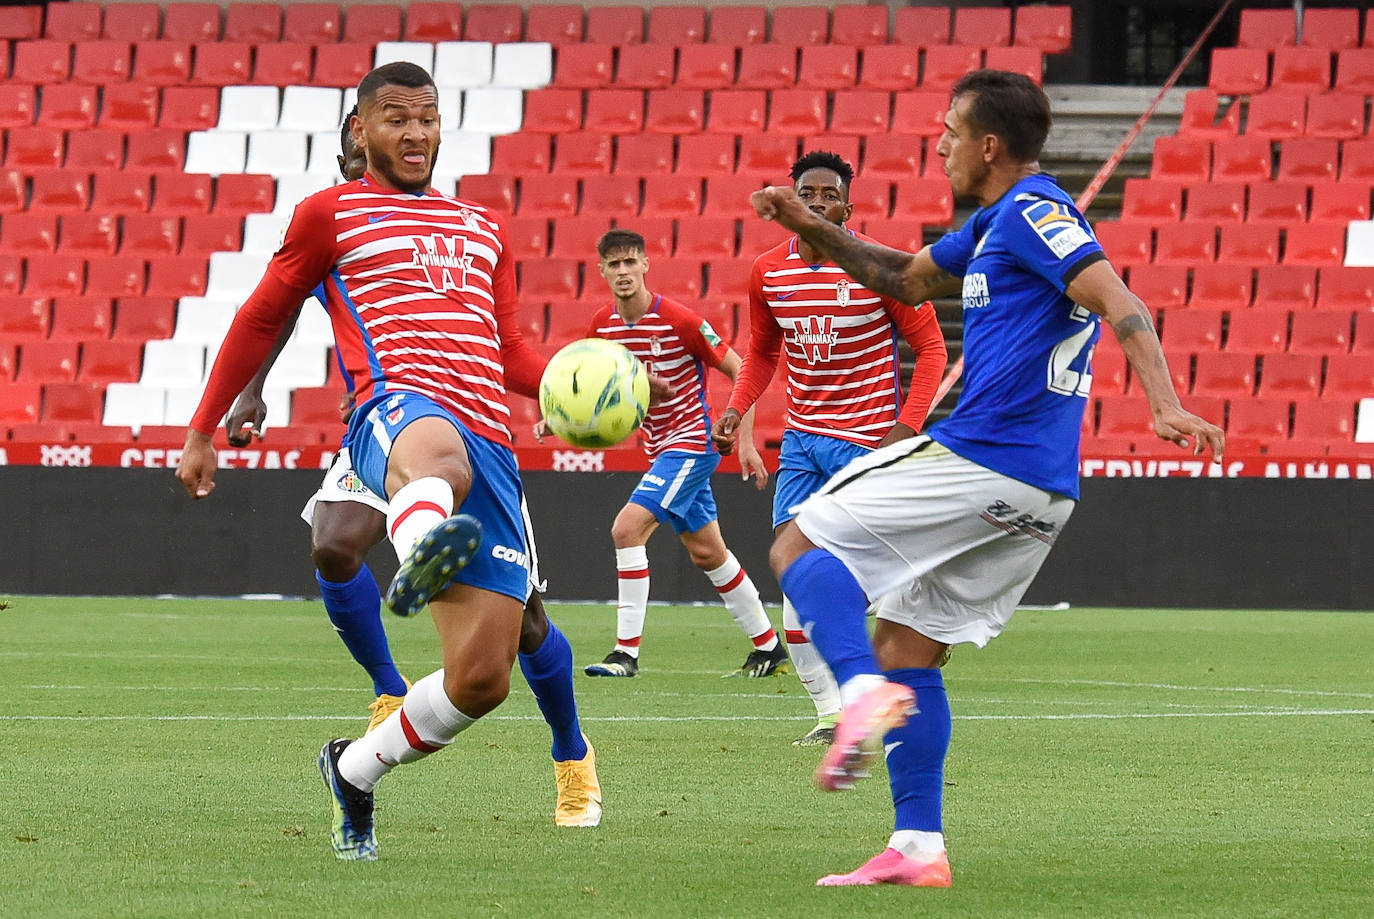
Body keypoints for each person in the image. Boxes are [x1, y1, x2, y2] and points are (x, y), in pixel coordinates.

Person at [744, 70, 1225, 887]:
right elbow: (902, 278)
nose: (940, 145)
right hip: (1040, 491)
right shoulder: (992, 224)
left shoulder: (1037, 213)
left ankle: (855, 690)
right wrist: (807, 225)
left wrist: (1164, 401)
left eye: (950, 131)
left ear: (988, 145)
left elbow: (1119, 298)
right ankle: (918, 847)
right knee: (908, 647)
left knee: (796, 541)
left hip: (985, 455)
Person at [176, 62, 600, 861]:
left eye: (427, 119)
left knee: (482, 679)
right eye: (396, 119)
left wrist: (573, 384)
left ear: (443, 127)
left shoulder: (483, 229)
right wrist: (203, 426)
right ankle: (422, 557)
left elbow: (510, 350)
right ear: (361, 130)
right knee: (431, 462)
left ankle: (354, 770)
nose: (414, 133)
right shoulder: (329, 214)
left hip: (493, 446)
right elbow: (264, 313)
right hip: (395, 411)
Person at [712, 151, 948, 746]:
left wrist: (907, 426)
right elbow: (763, 352)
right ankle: (831, 714)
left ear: (848, 205)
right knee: (797, 578)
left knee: (850, 583)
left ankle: (915, 641)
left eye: (828, 195)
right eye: (806, 194)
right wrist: (739, 409)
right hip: (801, 445)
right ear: (788, 204)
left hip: (866, 444)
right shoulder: (767, 271)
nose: (817, 204)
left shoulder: (876, 268)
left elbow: (933, 351)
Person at [555, 228, 783, 680]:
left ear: (645, 265)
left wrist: (745, 440)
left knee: (626, 529)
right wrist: (557, 418)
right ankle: (769, 648)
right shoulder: (600, 327)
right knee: (706, 552)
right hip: (657, 447)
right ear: (600, 270)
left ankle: (625, 653)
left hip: (691, 442)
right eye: (614, 264)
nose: (623, 272)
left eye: (630, 262)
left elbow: (741, 369)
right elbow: (587, 387)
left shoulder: (679, 320)